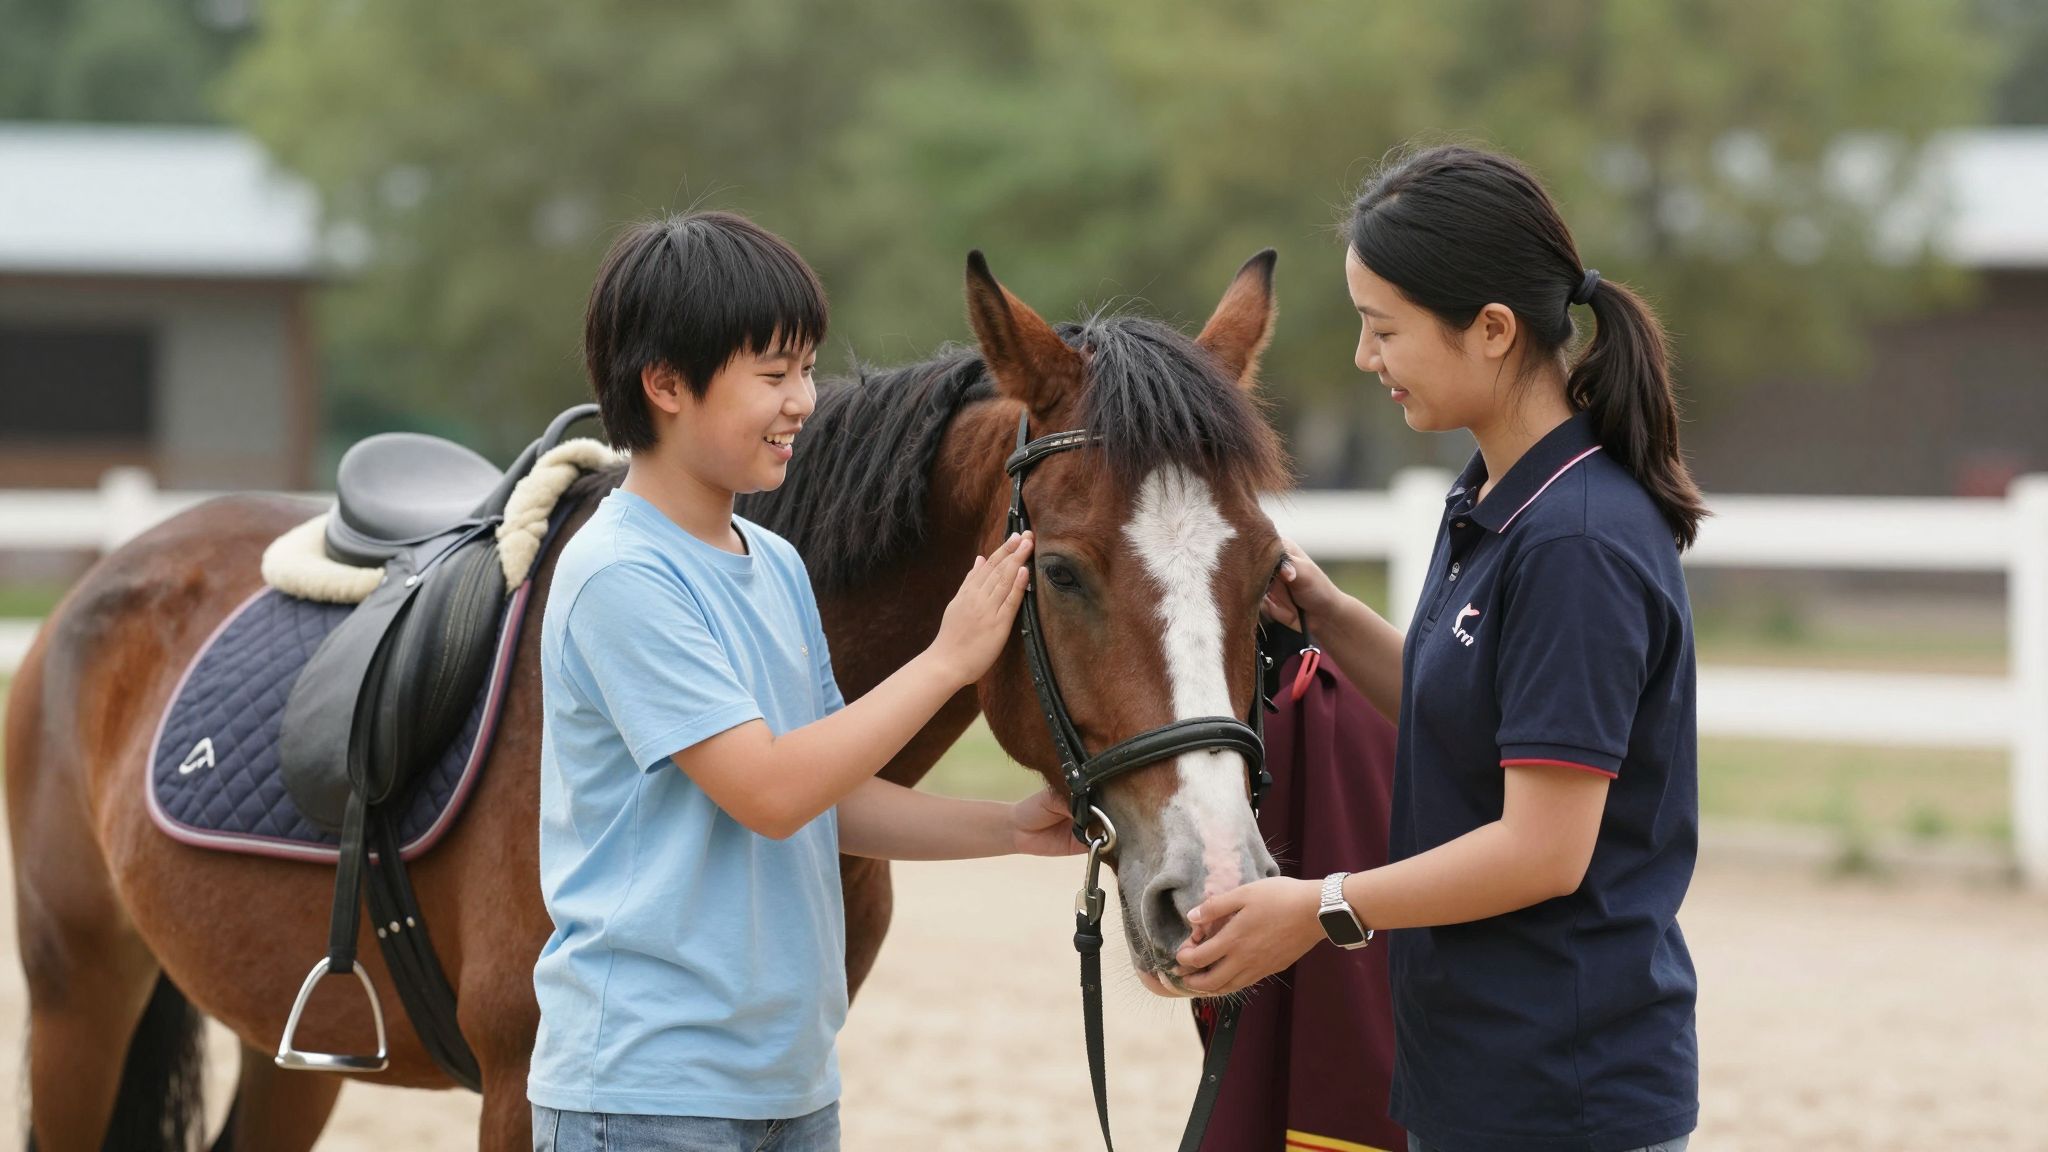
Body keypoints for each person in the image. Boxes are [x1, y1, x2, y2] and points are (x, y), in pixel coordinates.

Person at [1175, 145, 1704, 1152]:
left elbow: (1542, 850)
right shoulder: (1492, 497)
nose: (1366, 360)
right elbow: (1471, 717)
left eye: (1383, 330)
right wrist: (1328, 615)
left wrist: (1322, 908)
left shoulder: (1575, 542)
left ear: (1492, 330)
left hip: (1561, 1094)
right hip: (1471, 1072)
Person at [527, 211, 1073, 1152]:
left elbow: (831, 797)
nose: (805, 402)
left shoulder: (772, 562)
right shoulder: (621, 573)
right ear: (664, 384)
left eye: (808, 370)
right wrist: (945, 660)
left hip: (787, 1086)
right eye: (773, 375)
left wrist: (1009, 830)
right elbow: (771, 792)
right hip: (646, 1097)